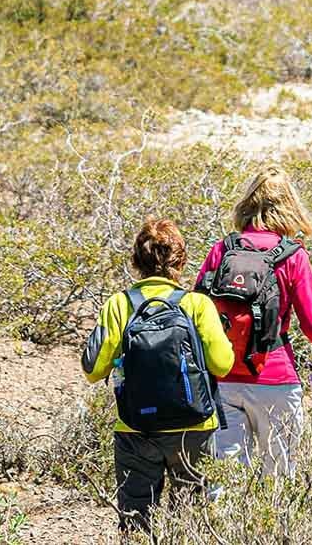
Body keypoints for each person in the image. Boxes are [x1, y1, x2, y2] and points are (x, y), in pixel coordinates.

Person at [193, 166, 312, 476]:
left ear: (248, 202)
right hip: (276, 379)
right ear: (290, 205)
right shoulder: (294, 256)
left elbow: (196, 311)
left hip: (223, 379)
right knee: (279, 479)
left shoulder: (222, 250)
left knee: (224, 478)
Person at [82, 219, 232, 535]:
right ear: (180, 261)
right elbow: (222, 365)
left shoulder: (118, 304)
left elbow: (93, 370)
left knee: (136, 520)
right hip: (194, 427)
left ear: (137, 260)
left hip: (136, 428)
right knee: (190, 522)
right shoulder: (197, 304)